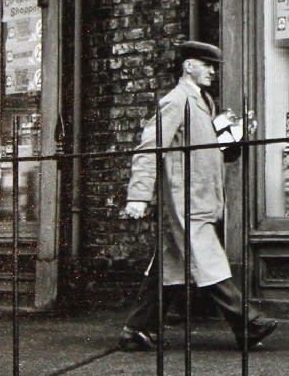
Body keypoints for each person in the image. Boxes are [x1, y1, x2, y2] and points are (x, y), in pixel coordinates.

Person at [118, 40, 277, 351]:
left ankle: (136, 329)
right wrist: (139, 195)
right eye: (207, 65)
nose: (212, 71)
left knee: (172, 265)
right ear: (189, 66)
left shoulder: (204, 103)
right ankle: (248, 324)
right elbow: (149, 146)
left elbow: (212, 155)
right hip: (184, 199)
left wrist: (234, 138)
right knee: (207, 259)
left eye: (214, 66)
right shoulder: (177, 101)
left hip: (201, 198)